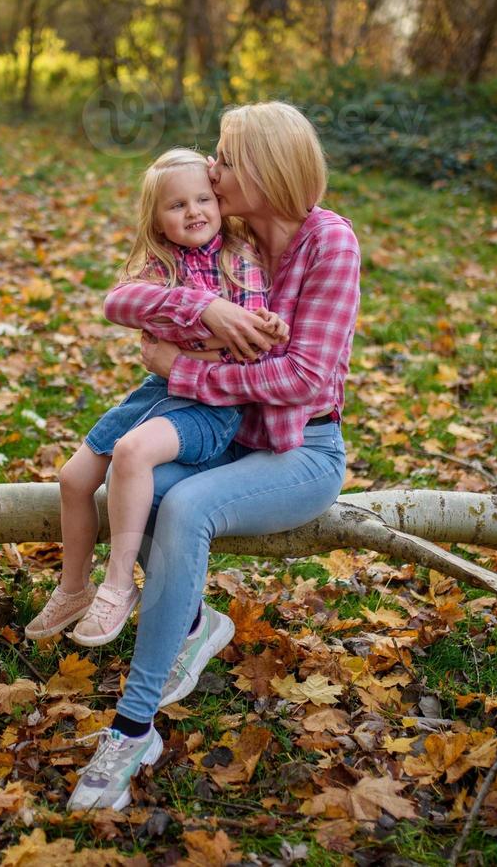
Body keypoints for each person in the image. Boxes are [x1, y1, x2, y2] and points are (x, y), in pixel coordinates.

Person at [67, 102, 360, 812]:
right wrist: (197, 321)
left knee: (189, 505)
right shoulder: (225, 242)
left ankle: (133, 728)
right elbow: (138, 306)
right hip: (227, 437)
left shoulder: (330, 243)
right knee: (130, 492)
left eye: (226, 159)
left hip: (303, 450)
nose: (213, 171)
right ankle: (194, 624)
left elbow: (305, 379)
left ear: (265, 168)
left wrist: (184, 370)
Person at [23, 148, 287, 647]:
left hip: (213, 408)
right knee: (74, 477)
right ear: (158, 221)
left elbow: (251, 352)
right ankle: (73, 588)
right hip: (157, 392)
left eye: (203, 199)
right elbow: (118, 302)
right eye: (177, 205)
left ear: (218, 202)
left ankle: (119, 586)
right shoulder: (161, 261)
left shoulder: (239, 260)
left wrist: (188, 346)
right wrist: (205, 311)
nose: (193, 212)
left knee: (132, 452)